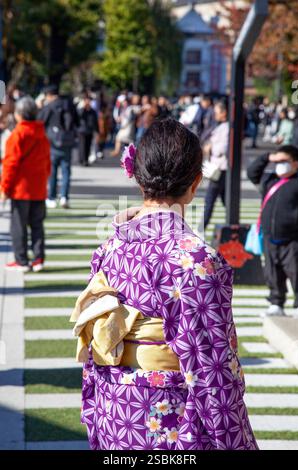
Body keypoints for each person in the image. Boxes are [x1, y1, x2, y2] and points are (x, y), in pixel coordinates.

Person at [71, 118, 258, 451]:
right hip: (170, 417)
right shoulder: (196, 260)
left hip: (115, 409)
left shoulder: (109, 248)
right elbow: (213, 369)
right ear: (195, 182)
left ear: (138, 177)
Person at [247, 145, 298, 317]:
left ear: (296, 164)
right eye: (278, 160)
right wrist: (268, 157)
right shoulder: (269, 179)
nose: (280, 164)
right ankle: (276, 303)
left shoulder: (297, 182)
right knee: (272, 272)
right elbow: (252, 172)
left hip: (293, 238)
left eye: (285, 161)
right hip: (270, 236)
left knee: (296, 271)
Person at [0, 96, 50, 272]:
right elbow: (47, 161)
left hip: (21, 188)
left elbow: (10, 164)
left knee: (18, 225)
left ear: (20, 114)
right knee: (37, 224)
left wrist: (4, 188)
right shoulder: (42, 133)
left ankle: (21, 260)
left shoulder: (17, 134)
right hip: (39, 186)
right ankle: (38, 259)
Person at [38, 84, 78, 209]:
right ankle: (64, 197)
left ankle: (51, 197)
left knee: (52, 171)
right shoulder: (69, 104)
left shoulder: (49, 106)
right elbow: (76, 121)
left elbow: (40, 122)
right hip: (67, 142)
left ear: (49, 95)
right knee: (66, 171)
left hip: (52, 143)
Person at [202, 99, 229, 229]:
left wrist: (210, 147)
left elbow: (223, 148)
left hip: (220, 167)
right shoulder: (219, 126)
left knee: (210, 198)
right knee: (225, 198)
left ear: (224, 113)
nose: (215, 115)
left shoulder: (227, 127)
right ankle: (231, 220)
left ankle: (202, 227)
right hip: (217, 165)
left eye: (217, 112)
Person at [77, 93, 99, 166]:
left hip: (89, 130)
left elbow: (95, 121)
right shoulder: (81, 109)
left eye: (89, 101)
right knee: (82, 146)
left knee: (88, 146)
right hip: (82, 130)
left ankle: (85, 159)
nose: (88, 102)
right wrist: (84, 107)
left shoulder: (92, 111)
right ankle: (82, 160)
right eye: (87, 100)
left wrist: (97, 131)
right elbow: (79, 116)